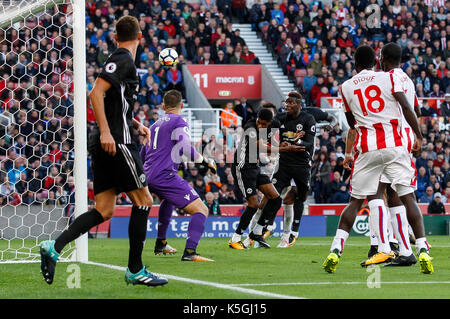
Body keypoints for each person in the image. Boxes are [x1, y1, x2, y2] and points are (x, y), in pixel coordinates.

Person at [39, 16, 168, 286]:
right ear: (141, 36)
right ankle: (135, 270)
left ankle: (54, 247)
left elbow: (113, 102)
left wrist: (134, 123)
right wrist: (109, 131)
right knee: (144, 201)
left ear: (115, 36)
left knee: (105, 209)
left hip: (108, 140)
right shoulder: (123, 58)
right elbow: (95, 94)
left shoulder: (120, 59)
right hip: (115, 141)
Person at [322, 45, 433, 275]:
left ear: (354, 63)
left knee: (360, 200)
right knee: (405, 197)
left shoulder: (346, 87)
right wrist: (419, 136)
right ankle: (420, 248)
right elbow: (409, 106)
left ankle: (342, 249)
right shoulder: (391, 77)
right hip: (397, 143)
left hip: (368, 147)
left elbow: (352, 123)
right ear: (376, 60)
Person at [248, 97, 337, 248]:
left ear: (298, 103)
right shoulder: (281, 118)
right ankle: (258, 231)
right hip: (283, 162)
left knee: (295, 197)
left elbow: (333, 119)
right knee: (269, 196)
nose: (286, 105)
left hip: (303, 163)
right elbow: (267, 136)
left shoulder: (311, 114)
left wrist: (331, 126)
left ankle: (290, 233)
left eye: (290, 102)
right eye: (285, 103)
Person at [140, 90, 217, 262]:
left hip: (147, 174)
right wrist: (205, 161)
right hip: (164, 175)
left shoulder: (153, 126)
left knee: (169, 200)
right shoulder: (179, 121)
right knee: (201, 209)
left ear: (163, 107)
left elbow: (143, 155)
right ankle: (190, 252)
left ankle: (161, 243)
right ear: (181, 106)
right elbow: (184, 147)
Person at [367, 43, 423, 267]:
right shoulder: (408, 79)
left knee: (376, 191)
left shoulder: (388, 79)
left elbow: (406, 108)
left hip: (393, 140)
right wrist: (417, 135)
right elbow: (416, 109)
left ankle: (384, 245)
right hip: (406, 141)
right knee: (396, 194)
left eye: (380, 55)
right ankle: (407, 247)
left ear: (384, 57)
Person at [228, 108, 302, 249]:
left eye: (264, 124)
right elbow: (260, 146)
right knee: (253, 204)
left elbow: (277, 131)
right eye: (259, 123)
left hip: (255, 168)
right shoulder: (250, 127)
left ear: (269, 122)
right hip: (242, 167)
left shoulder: (273, 124)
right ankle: (235, 238)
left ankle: (257, 232)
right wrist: (281, 149)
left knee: (275, 198)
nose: (261, 126)